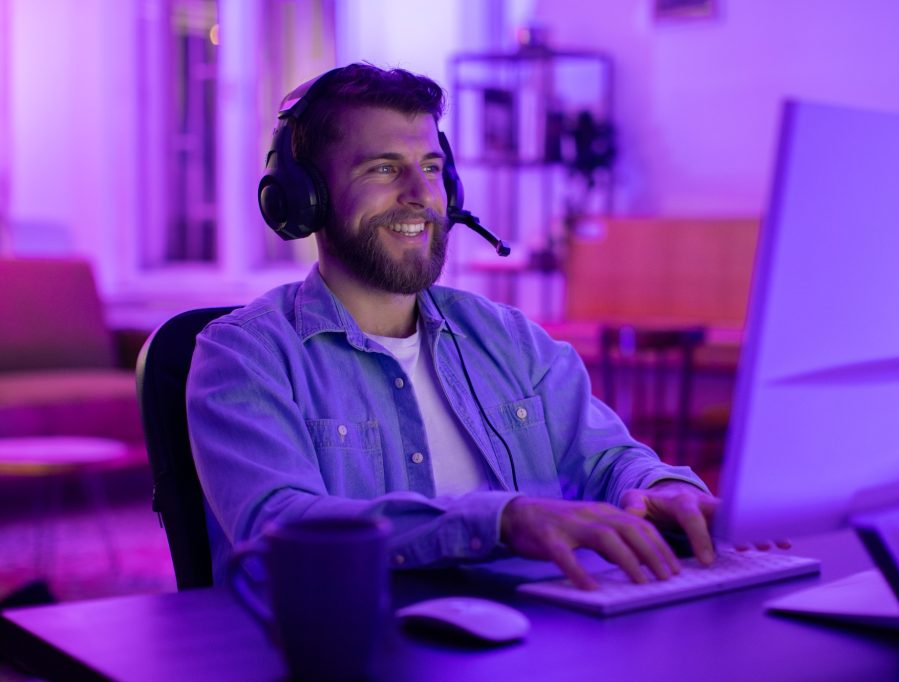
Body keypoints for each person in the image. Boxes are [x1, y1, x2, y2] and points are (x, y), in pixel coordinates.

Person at [186, 63, 718, 590]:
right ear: (306, 197)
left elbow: (606, 458)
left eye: (433, 167)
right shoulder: (243, 357)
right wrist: (500, 521)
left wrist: (660, 487)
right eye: (384, 168)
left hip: (529, 646)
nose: (421, 194)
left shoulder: (508, 338)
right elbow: (280, 527)